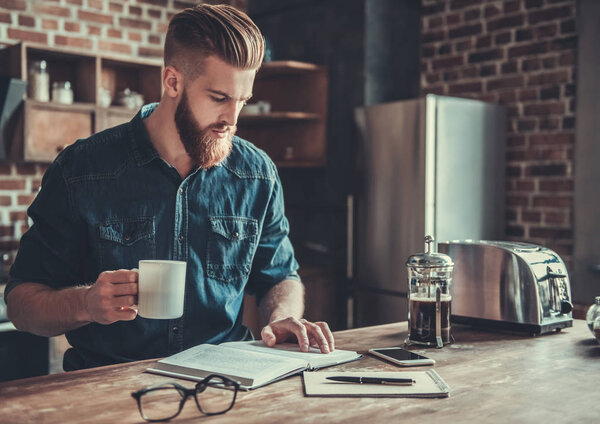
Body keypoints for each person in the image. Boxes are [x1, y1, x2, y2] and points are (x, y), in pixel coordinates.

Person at [5, 4, 334, 371]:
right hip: (109, 384)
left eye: (242, 101)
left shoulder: (258, 174)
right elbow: (22, 303)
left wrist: (282, 316)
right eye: (219, 98)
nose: (232, 119)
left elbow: (281, 276)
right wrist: (85, 304)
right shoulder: (80, 169)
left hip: (224, 380)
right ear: (172, 82)